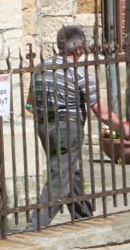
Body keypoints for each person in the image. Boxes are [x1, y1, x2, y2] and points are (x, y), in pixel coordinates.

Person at [30, 21, 101, 226]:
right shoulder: (78, 73)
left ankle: (83, 215)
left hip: (44, 127)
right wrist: (122, 128)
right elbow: (100, 111)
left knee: (70, 168)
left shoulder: (41, 68)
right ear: (78, 48)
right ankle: (36, 225)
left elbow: (30, 102)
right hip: (68, 127)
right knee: (60, 176)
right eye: (83, 48)